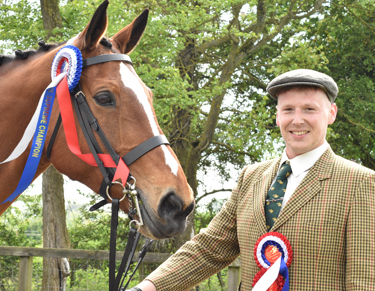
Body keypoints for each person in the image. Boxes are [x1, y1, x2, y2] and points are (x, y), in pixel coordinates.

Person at [129, 69, 375, 291]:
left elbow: (364, 280)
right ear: (278, 116)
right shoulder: (251, 177)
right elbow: (208, 250)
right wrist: (145, 289)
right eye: (288, 109)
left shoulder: (361, 183)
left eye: (309, 109)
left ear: (331, 114)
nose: (297, 120)